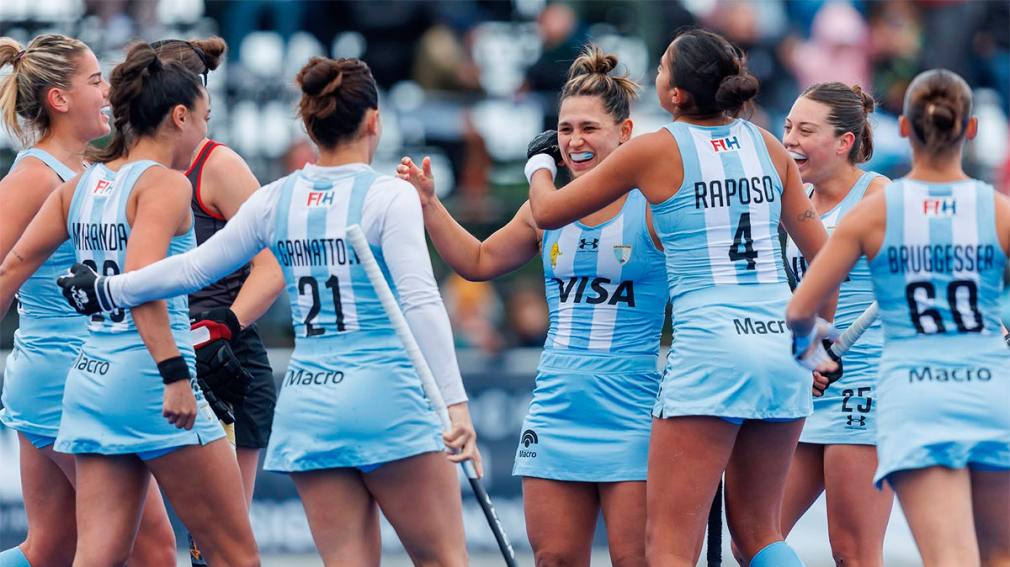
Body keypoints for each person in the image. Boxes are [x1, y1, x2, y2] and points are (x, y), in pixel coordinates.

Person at [57, 55, 481, 567]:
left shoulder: (275, 198)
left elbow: (190, 269)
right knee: (444, 560)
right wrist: (456, 407)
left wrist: (107, 288)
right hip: (386, 398)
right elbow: (421, 301)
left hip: (312, 404)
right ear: (374, 121)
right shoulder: (390, 195)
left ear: (309, 125)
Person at [525, 29, 834, 567]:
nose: (656, 73)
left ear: (675, 94)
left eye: (662, 65)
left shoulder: (654, 149)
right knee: (759, 535)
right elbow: (825, 261)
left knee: (668, 547)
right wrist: (815, 351)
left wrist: (538, 166)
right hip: (780, 346)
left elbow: (549, 212)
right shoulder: (767, 144)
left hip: (711, 353)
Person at [397, 44, 667, 566]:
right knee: (555, 560)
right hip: (557, 409)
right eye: (565, 129)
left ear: (625, 133)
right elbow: (477, 260)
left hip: (632, 412)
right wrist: (429, 204)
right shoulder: (542, 211)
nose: (574, 141)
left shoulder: (654, 208)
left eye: (589, 128)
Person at [0, 41, 259, 566]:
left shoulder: (85, 181)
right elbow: (141, 283)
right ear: (179, 116)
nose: (207, 135)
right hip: (133, 375)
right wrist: (174, 374)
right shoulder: (158, 185)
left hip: (88, 377)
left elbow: (16, 265)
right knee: (225, 554)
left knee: (74, 551)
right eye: (205, 119)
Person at [787, 68, 1010, 567]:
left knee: (940, 555)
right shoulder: (996, 209)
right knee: (996, 555)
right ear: (971, 129)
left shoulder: (879, 207)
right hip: (984, 390)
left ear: (904, 129)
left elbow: (800, 309)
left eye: (804, 129)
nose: (791, 139)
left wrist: (811, 351)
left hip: (903, 390)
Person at [0, 35, 176, 567]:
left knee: (52, 548)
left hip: (73, 372)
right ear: (59, 99)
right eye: (96, 81)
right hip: (59, 374)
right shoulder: (35, 177)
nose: (107, 93)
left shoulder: (92, 171)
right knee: (154, 550)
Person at [150, 36, 284, 565]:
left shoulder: (218, 165)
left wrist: (220, 329)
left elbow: (272, 267)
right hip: (152, 357)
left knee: (217, 546)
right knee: (129, 544)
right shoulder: (119, 168)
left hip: (221, 361)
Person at [778, 82, 894, 565]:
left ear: (845, 142)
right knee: (755, 539)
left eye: (806, 131)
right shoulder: (794, 198)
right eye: (788, 126)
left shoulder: (880, 197)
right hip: (805, 385)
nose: (790, 140)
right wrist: (805, 356)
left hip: (864, 387)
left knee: (852, 552)